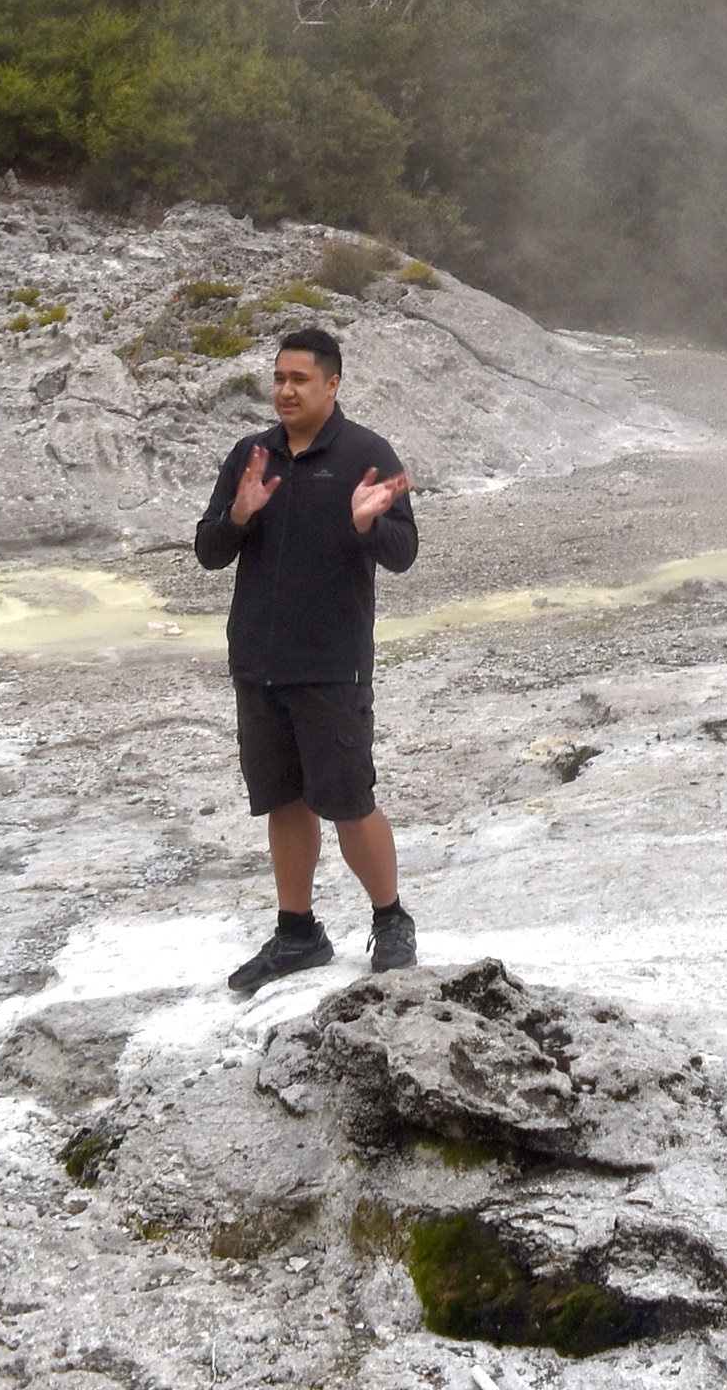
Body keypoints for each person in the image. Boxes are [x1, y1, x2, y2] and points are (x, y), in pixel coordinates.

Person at [194, 326, 421, 992]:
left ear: (333, 384)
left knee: (349, 801)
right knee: (284, 801)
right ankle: (298, 933)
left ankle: (390, 919)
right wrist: (239, 513)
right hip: (259, 662)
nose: (285, 390)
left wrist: (367, 523)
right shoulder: (251, 454)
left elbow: (403, 553)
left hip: (332, 662)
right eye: (279, 378)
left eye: (300, 379)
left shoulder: (365, 455)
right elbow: (209, 551)